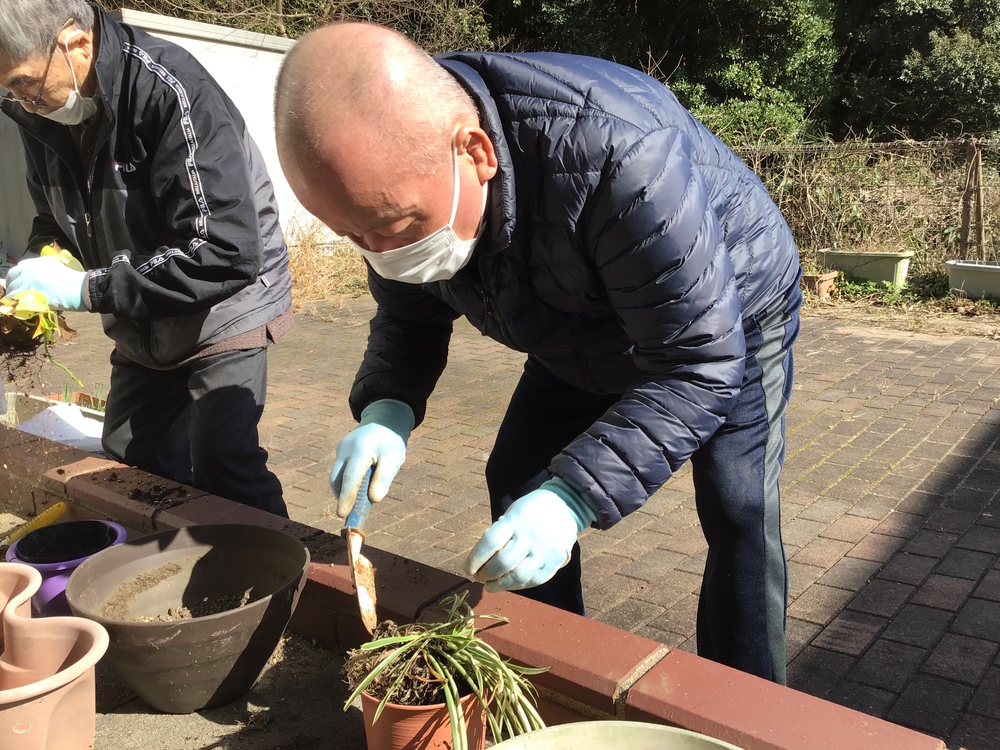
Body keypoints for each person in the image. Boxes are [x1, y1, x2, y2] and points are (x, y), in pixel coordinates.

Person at [274, 22, 802, 683]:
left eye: (394, 226)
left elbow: (697, 364)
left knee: (736, 507)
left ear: (475, 153)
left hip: (727, 315)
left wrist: (574, 499)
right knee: (519, 471)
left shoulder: (619, 154)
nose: (381, 252)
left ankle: (750, 705)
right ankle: (552, 675)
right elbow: (410, 312)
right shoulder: (399, 178)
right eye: (352, 235)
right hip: (578, 321)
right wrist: (387, 408)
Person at [0, 0, 293, 517]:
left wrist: (86, 290)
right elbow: (57, 218)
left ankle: (282, 581)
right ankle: (165, 562)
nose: (20, 101)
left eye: (23, 82)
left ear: (77, 45)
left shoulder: (170, 88)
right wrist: (44, 263)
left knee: (223, 458)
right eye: (9, 89)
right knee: (134, 450)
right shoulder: (39, 115)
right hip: (142, 308)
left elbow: (224, 248)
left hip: (224, 305)